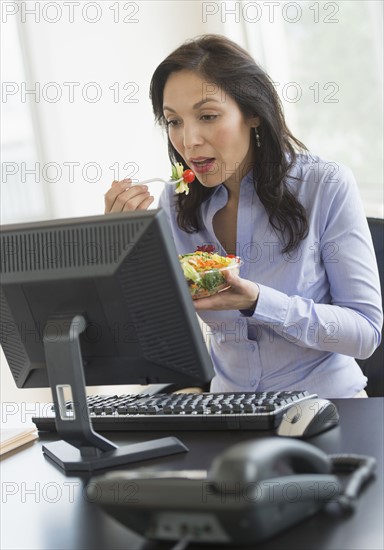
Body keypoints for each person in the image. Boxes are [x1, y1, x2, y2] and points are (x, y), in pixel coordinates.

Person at [104, 34, 383, 398]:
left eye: (207, 116)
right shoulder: (175, 202)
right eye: (174, 121)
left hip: (327, 407)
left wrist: (257, 301)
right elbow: (157, 335)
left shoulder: (325, 184)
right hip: (229, 409)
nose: (188, 141)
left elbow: (365, 334)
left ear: (252, 113)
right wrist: (122, 247)